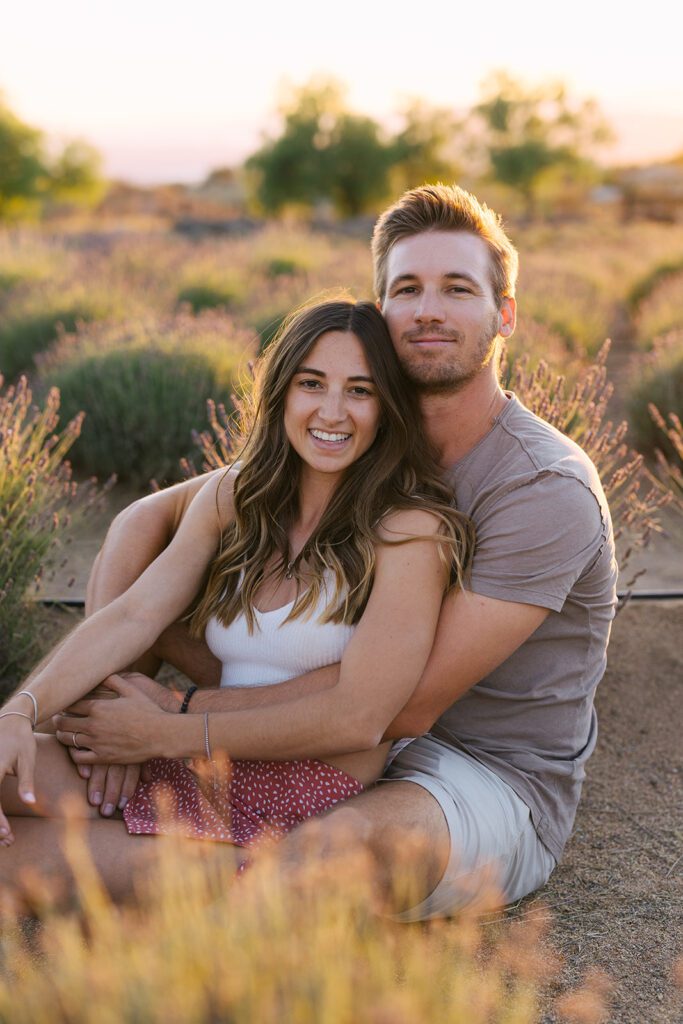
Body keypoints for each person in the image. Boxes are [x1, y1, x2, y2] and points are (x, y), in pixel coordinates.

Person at [5, 183, 619, 918]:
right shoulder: (352, 440)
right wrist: (79, 706)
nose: (427, 309)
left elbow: (398, 707)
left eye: (457, 289)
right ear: (378, 310)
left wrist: (169, 716)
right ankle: (132, 841)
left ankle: (130, 870)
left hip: (474, 770)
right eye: (406, 289)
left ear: (504, 315)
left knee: (323, 861)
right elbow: (146, 521)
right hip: (295, 739)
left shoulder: (541, 489)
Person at [0, 299, 473, 895]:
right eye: (311, 384)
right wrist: (20, 712)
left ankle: (239, 883)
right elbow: (135, 614)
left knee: (10, 870)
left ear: (388, 408)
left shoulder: (409, 530)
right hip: (181, 759)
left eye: (361, 390)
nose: (332, 411)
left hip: (296, 800)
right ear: (281, 394)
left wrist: (158, 729)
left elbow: (360, 719)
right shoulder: (233, 496)